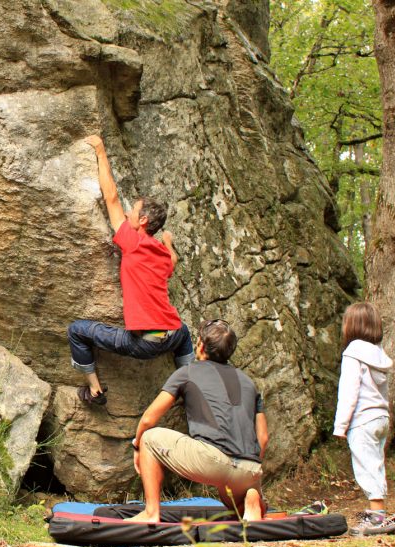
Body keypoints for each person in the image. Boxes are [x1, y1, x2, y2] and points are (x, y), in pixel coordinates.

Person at [68, 135, 193, 406]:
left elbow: (110, 197)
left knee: (77, 330)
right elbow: (173, 260)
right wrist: (168, 242)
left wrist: (101, 152)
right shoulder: (161, 254)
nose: (126, 213)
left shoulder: (133, 243)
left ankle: (95, 392)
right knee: (184, 333)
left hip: (148, 341)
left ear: (143, 221)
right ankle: (190, 382)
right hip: (171, 334)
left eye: (133, 212)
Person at [128, 319, 268, 522]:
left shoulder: (188, 371)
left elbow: (149, 419)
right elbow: (262, 438)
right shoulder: (249, 383)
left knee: (149, 437)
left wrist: (137, 445)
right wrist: (248, 469)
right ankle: (252, 497)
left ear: (201, 346)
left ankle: (151, 513)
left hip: (212, 461)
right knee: (233, 504)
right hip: (250, 469)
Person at [333, 302, 394, 536]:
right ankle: (377, 515)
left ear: (351, 326)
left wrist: (341, 426)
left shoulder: (353, 353)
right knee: (376, 464)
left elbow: (349, 392)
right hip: (381, 417)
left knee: (366, 467)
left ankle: (377, 519)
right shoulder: (378, 353)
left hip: (362, 421)